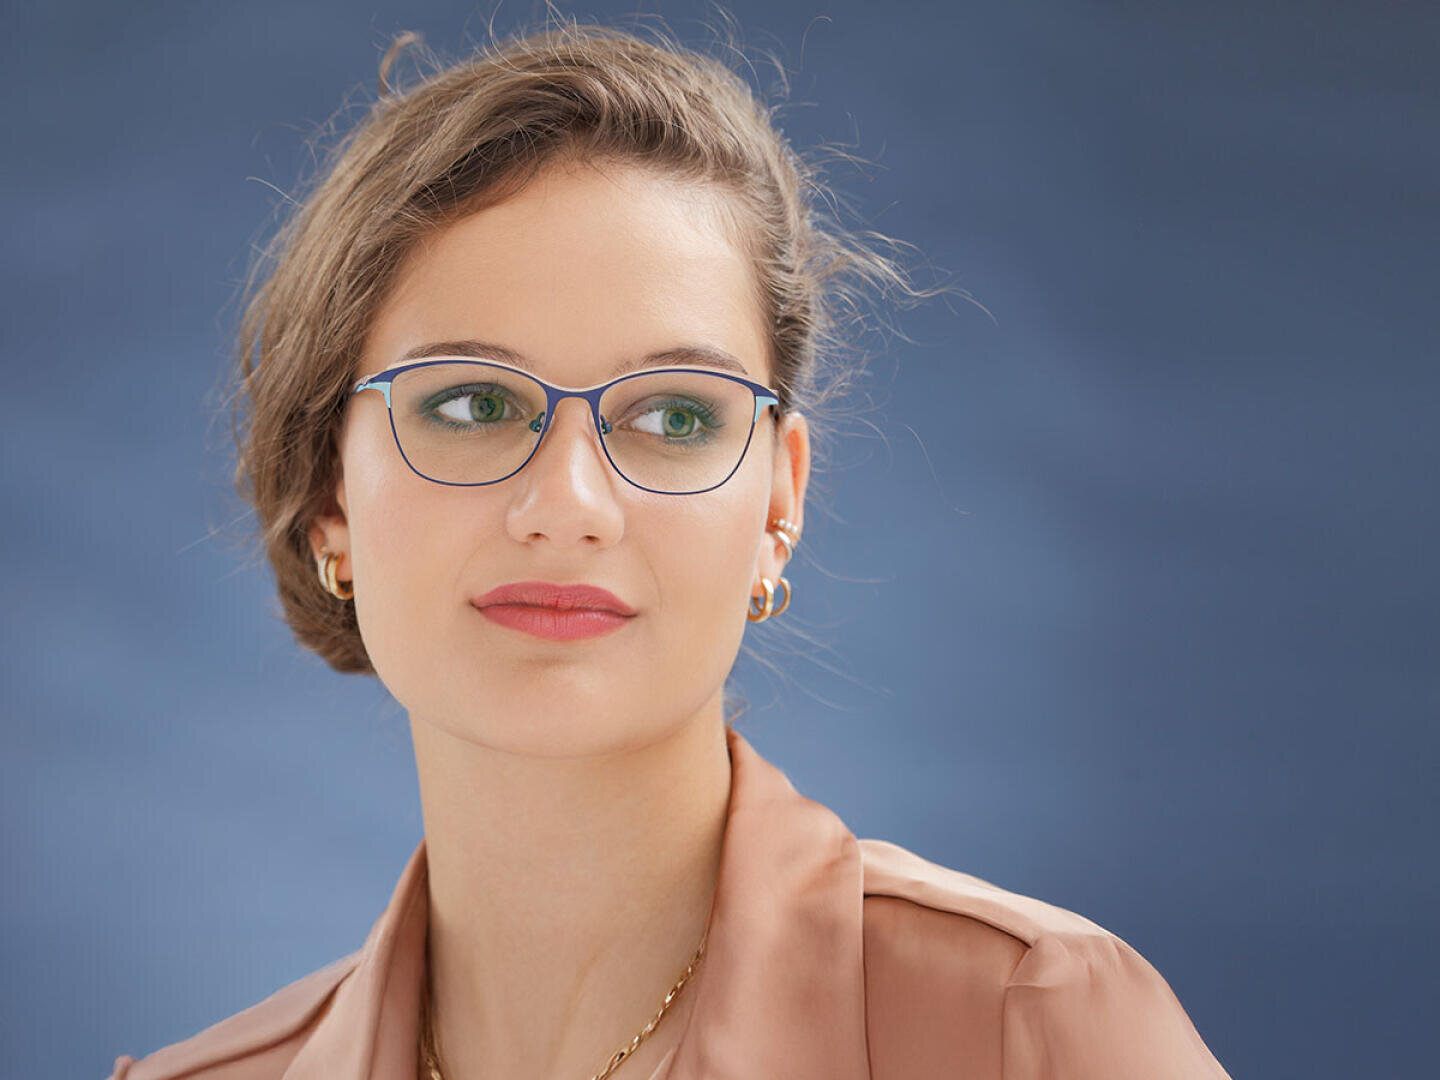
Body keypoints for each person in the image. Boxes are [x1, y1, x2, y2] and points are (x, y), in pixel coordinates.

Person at [108, 15, 1232, 1080]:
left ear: (779, 502)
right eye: (468, 404)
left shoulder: (1034, 1028)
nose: (569, 504)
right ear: (327, 497)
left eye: (677, 414)